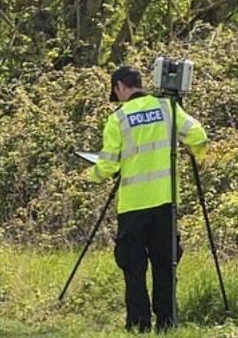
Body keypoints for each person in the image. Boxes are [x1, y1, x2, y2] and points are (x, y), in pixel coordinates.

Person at [87, 65, 208, 333]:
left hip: (133, 206)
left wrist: (91, 174)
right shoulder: (167, 108)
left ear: (119, 87)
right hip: (166, 204)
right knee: (166, 265)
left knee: (133, 267)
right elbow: (198, 135)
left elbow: (107, 166)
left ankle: (139, 324)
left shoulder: (118, 119)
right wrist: (192, 149)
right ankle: (167, 323)